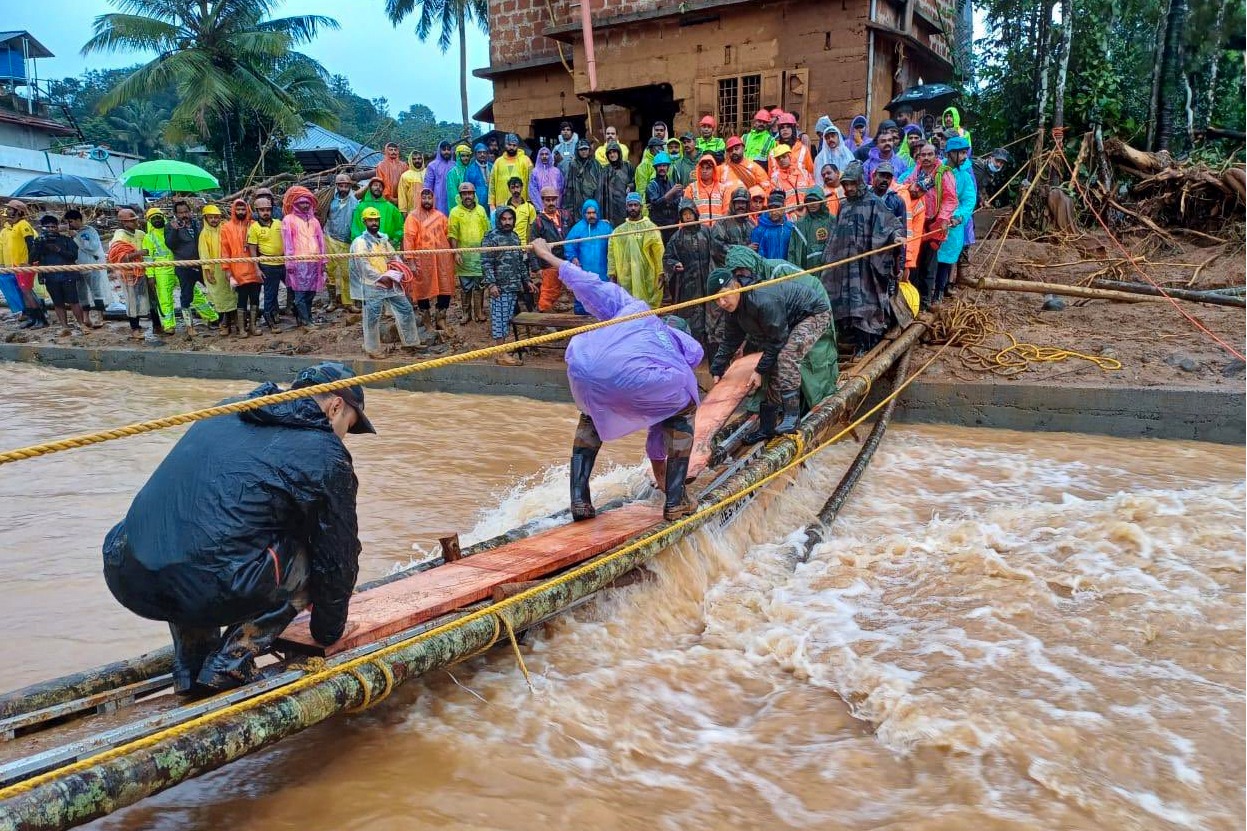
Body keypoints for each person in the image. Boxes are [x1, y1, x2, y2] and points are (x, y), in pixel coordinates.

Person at [103, 361, 373, 694]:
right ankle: (230, 661)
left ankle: (190, 667)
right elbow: (338, 556)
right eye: (349, 424)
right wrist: (328, 631)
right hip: (205, 583)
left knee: (190, 534)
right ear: (335, 407)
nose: (345, 436)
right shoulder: (325, 453)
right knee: (314, 554)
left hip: (127, 571)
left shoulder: (230, 408)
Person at [530, 238, 701, 523]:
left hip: (583, 365)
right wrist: (661, 474)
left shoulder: (633, 308)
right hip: (644, 379)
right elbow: (660, 430)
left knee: (591, 415)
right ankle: (676, 499)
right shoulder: (682, 348)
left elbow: (588, 283)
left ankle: (580, 501)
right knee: (683, 408)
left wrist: (545, 254)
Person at [706, 261, 833, 440]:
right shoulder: (733, 311)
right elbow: (730, 341)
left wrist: (758, 371)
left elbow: (777, 341)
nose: (722, 303)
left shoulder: (761, 299)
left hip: (813, 313)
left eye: (723, 296)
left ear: (735, 286)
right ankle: (767, 426)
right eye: (716, 300)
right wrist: (717, 369)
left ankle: (792, 416)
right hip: (786, 322)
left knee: (786, 357)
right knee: (772, 365)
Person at [821, 161, 903, 355]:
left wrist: (895, 237)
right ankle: (846, 337)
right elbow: (835, 233)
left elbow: (891, 225)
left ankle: (865, 342)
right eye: (845, 184)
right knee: (843, 299)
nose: (848, 188)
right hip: (845, 264)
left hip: (865, 267)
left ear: (859, 182)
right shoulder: (844, 206)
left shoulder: (874, 202)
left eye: (852, 184)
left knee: (863, 303)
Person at [351, 207, 425, 357]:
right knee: (372, 317)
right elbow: (363, 265)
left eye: (376, 220)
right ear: (364, 221)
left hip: (390, 282)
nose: (374, 223)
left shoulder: (383, 240)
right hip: (373, 285)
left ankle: (411, 342)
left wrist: (398, 272)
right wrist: (380, 277)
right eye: (371, 220)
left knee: (405, 309)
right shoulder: (360, 243)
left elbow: (394, 257)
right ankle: (372, 349)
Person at [899, 142, 957, 307]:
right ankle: (914, 301)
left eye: (929, 154)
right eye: (922, 155)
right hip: (917, 224)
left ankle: (925, 302)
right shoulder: (916, 171)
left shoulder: (944, 174)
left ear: (936, 155)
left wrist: (944, 218)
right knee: (914, 263)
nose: (925, 158)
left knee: (929, 265)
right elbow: (906, 187)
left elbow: (950, 198)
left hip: (934, 225)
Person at [481, 206, 538, 366]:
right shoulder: (491, 238)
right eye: (504, 219)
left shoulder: (514, 237)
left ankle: (503, 350)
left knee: (506, 319)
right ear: (498, 220)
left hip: (513, 286)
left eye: (510, 219)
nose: (507, 222)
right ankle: (500, 354)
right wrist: (491, 284)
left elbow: (520, 263)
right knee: (499, 320)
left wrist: (527, 281)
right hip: (499, 288)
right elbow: (486, 263)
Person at [662, 197, 715, 350]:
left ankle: (709, 347)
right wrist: (674, 265)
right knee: (690, 315)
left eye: (689, 213)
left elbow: (717, 251)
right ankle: (691, 346)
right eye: (684, 214)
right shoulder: (676, 237)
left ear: (695, 213)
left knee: (709, 314)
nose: (687, 217)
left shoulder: (706, 232)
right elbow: (667, 258)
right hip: (687, 285)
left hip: (707, 280)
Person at [403, 186, 457, 336]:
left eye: (429, 197)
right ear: (419, 199)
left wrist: (453, 255)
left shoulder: (440, 216)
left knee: (445, 287)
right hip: (422, 261)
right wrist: (411, 262)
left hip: (442, 260)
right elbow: (408, 239)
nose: (427, 200)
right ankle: (426, 322)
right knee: (422, 290)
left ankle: (441, 319)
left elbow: (448, 234)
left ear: (433, 199)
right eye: (424, 197)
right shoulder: (412, 217)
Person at [165, 200, 220, 337]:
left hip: (201, 264)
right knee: (186, 297)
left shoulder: (197, 223)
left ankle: (219, 319)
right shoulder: (171, 226)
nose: (184, 215)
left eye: (186, 212)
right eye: (181, 212)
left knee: (215, 289)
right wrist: (174, 230)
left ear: (190, 211)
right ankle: (189, 326)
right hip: (184, 267)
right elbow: (170, 245)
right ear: (176, 214)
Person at [931, 136, 975, 303]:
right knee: (929, 258)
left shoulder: (964, 176)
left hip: (952, 224)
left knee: (945, 260)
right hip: (934, 220)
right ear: (950, 154)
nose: (964, 156)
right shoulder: (938, 170)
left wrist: (959, 216)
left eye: (965, 152)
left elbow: (969, 200)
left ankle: (939, 293)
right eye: (961, 153)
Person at [29, 214, 87, 336]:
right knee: (57, 302)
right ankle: (64, 327)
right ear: (42, 228)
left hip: (68, 275)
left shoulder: (66, 240)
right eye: (47, 227)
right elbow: (32, 259)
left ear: (57, 227)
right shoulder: (39, 242)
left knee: (74, 301)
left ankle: (82, 325)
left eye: (53, 227)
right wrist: (38, 246)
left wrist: (58, 250)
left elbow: (74, 256)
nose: (50, 229)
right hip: (50, 277)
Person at [607, 191, 664, 308]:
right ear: (626, 207)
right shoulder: (619, 231)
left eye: (636, 205)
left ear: (641, 207)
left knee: (647, 307)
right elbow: (612, 254)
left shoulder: (651, 228)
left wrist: (661, 271)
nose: (633, 208)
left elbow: (659, 252)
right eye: (630, 205)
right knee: (628, 306)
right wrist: (612, 273)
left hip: (647, 275)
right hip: (626, 277)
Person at [281, 186, 327, 328]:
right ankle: (305, 321)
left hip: (314, 262)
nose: (305, 205)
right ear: (295, 204)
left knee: (311, 293)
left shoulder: (314, 221)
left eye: (307, 202)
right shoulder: (289, 220)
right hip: (298, 262)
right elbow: (287, 242)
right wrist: (289, 263)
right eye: (302, 202)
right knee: (300, 294)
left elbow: (321, 242)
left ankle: (307, 318)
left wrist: (323, 261)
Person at [108, 218, 159, 343]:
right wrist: (138, 253)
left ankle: (157, 325)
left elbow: (150, 250)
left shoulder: (141, 234)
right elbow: (118, 256)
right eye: (131, 220)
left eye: (135, 219)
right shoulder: (119, 237)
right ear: (124, 222)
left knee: (153, 298)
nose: (135, 222)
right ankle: (135, 328)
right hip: (130, 273)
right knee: (132, 301)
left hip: (146, 271)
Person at [447, 182, 492, 323]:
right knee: (466, 286)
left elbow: (487, 231)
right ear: (460, 196)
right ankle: (466, 313)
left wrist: (487, 251)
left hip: (480, 256)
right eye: (464, 194)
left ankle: (479, 312)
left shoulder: (481, 210)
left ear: (474, 195)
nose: (467, 196)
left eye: (470, 193)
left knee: (480, 285)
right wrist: (456, 253)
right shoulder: (454, 212)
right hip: (464, 256)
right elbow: (452, 234)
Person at [562, 199, 612, 314]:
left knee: (602, 300)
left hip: (602, 272)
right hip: (583, 272)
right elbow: (569, 245)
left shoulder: (606, 227)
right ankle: (581, 325)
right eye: (588, 213)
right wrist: (573, 257)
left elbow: (614, 245)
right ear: (584, 213)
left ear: (597, 213)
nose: (591, 215)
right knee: (583, 300)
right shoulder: (578, 228)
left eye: (593, 212)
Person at [221, 199, 263, 336]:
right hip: (238, 271)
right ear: (233, 210)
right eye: (238, 209)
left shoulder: (254, 225)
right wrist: (227, 270)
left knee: (255, 298)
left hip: (254, 270)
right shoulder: (226, 227)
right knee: (242, 300)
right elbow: (224, 250)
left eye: (243, 209)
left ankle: (253, 326)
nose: (240, 212)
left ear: (247, 210)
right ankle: (241, 329)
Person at [198, 204, 239, 337]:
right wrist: (208, 272)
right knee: (219, 298)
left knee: (232, 295)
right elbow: (204, 254)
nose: (214, 220)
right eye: (211, 218)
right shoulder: (204, 234)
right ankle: (223, 324)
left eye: (216, 217)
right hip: (214, 269)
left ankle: (235, 322)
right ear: (206, 218)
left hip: (228, 267)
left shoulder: (225, 228)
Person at [247, 196, 285, 332]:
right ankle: (270, 321)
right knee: (270, 293)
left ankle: (287, 314)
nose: (265, 212)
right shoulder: (254, 228)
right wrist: (256, 268)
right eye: (262, 210)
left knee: (293, 288)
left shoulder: (279, 223)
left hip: (283, 262)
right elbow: (252, 250)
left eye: (268, 209)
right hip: (267, 264)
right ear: (257, 211)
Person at [65, 209, 108, 327]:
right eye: (68, 222)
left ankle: (100, 316)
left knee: (96, 291)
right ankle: (86, 318)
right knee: (82, 293)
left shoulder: (89, 231)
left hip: (91, 265)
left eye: (71, 221)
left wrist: (77, 238)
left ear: (78, 220)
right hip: (78, 266)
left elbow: (91, 247)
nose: (70, 224)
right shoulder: (72, 233)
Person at [530, 186, 571, 312]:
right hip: (549, 263)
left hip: (565, 260)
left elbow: (574, 233)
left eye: (553, 199)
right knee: (548, 293)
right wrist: (536, 268)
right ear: (542, 201)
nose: (551, 203)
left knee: (563, 292)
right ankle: (545, 321)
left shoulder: (566, 215)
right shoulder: (538, 222)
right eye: (547, 200)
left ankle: (556, 318)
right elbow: (532, 246)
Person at [7, 200, 46, 328]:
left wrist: (29, 263)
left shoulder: (24, 225)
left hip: (25, 265)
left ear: (18, 211)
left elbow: (31, 245)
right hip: (17, 265)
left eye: (11, 209)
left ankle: (41, 320)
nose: (8, 211)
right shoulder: (15, 225)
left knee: (27, 291)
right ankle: (32, 317)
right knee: (24, 292)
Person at [323, 173, 359, 310]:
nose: (344, 188)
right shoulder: (329, 199)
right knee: (330, 272)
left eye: (346, 185)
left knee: (346, 273)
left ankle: (348, 302)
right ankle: (332, 301)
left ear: (350, 186)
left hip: (346, 241)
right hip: (330, 238)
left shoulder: (355, 200)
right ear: (337, 186)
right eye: (341, 185)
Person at [141, 208, 179, 334]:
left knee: (195, 294)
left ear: (163, 217)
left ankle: (211, 317)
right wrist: (150, 276)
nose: (157, 220)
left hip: (178, 266)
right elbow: (148, 258)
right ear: (150, 221)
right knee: (165, 299)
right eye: (154, 218)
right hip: (161, 270)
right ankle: (169, 325)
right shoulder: (149, 237)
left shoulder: (171, 230)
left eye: (159, 217)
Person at [788, 187, 834, 272]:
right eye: (808, 201)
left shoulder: (833, 220)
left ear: (822, 201)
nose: (811, 204)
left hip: (832, 270)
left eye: (815, 201)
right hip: (810, 271)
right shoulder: (800, 225)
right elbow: (793, 254)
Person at [351, 177, 405, 246]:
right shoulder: (360, 207)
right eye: (375, 185)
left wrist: (394, 241)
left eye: (380, 186)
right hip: (365, 248)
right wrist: (360, 244)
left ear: (383, 189)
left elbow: (400, 227)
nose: (378, 187)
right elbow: (355, 228)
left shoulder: (391, 208)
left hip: (385, 247)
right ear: (370, 188)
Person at [643, 152, 683, 242]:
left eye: (664, 166)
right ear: (655, 167)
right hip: (658, 227)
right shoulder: (651, 186)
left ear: (668, 167)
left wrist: (664, 201)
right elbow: (656, 204)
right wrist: (670, 193)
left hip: (673, 226)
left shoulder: (672, 183)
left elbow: (677, 202)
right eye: (659, 166)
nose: (662, 168)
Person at [710, 187, 754, 267]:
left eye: (743, 203)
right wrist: (744, 250)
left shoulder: (751, 224)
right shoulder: (722, 223)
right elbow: (717, 249)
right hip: (727, 269)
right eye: (737, 203)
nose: (740, 206)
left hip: (747, 269)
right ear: (732, 204)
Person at [490, 133, 533, 209]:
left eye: (514, 145)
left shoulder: (526, 160)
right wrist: (491, 203)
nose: (511, 147)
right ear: (505, 145)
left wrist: (530, 200)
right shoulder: (498, 162)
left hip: (521, 204)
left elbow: (532, 182)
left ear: (517, 146)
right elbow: (492, 184)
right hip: (501, 204)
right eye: (509, 145)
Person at [684, 153, 730, 224]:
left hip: (718, 231)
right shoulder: (691, 188)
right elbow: (685, 212)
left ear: (714, 170)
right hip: (698, 232)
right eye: (702, 167)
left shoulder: (723, 188)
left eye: (708, 168)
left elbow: (726, 211)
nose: (704, 171)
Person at [597, 141, 634, 227]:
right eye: (609, 153)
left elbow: (634, 181)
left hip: (625, 206)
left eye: (614, 152)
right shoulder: (605, 170)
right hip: (610, 210)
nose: (612, 155)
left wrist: (630, 186)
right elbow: (600, 193)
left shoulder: (627, 166)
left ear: (619, 152)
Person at [563, 139, 602, 218]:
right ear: (577, 150)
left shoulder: (596, 164)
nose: (584, 151)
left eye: (585, 149)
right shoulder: (573, 165)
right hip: (578, 203)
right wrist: (568, 207)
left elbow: (601, 183)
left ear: (589, 149)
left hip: (593, 200)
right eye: (581, 149)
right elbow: (569, 187)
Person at [446, 144, 488, 212]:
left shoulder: (472, 169)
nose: (466, 158)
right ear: (458, 156)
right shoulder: (452, 173)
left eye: (467, 156)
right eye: (463, 156)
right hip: (459, 209)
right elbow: (453, 195)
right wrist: (463, 208)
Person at [497, 176, 538, 244]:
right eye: (513, 187)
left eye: (517, 187)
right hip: (507, 245)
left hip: (523, 245)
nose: (515, 190)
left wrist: (529, 245)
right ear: (509, 189)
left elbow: (532, 230)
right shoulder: (503, 207)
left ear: (521, 188)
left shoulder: (529, 207)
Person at [872, 161, 909, 236]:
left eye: (888, 177)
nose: (885, 180)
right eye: (881, 176)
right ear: (874, 176)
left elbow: (902, 229)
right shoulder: (865, 197)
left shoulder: (898, 201)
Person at [424, 141, 456, 215]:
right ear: (439, 151)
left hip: (453, 198)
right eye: (444, 150)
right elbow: (428, 186)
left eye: (448, 149)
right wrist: (427, 200)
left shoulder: (454, 165)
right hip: (438, 200)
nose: (446, 152)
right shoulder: (432, 165)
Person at [397, 150, 426, 214]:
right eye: (414, 159)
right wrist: (403, 211)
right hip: (412, 212)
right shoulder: (405, 176)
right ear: (410, 160)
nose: (417, 161)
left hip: (428, 211)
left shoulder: (429, 173)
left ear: (422, 159)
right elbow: (402, 196)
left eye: (419, 158)